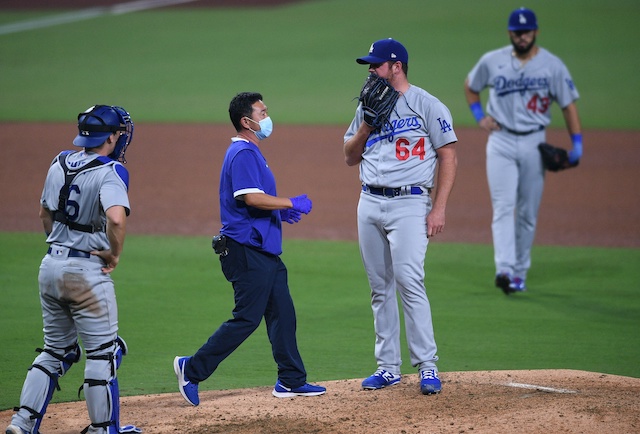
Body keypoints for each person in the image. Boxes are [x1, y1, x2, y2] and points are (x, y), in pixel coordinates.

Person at [173, 92, 326, 405]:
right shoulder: (242, 153)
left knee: (283, 313)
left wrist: (279, 211)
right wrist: (290, 202)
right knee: (246, 318)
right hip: (245, 250)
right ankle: (191, 368)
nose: (268, 116)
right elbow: (250, 197)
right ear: (247, 121)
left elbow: (251, 199)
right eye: (262, 112)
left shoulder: (251, 152)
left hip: (263, 250)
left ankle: (291, 380)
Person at [6, 105, 140, 434]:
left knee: (56, 350)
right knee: (103, 354)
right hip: (86, 272)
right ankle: (102, 430)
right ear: (111, 137)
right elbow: (116, 218)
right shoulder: (111, 171)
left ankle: (21, 424)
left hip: (50, 266)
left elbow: (43, 214)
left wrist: (59, 247)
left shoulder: (59, 161)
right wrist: (113, 254)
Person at [343, 38, 458, 395]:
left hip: (410, 204)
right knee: (380, 288)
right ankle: (387, 367)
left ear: (396, 66)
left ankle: (427, 365)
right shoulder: (367, 106)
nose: (370, 71)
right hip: (369, 202)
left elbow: (449, 155)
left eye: (376, 65)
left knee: (410, 280)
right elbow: (349, 156)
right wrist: (366, 126)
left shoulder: (427, 104)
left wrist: (438, 207)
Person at [464, 7, 583, 294]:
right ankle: (504, 269)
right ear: (509, 33)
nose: (521, 37)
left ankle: (519, 273)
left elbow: (567, 105)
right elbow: (471, 86)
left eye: (526, 31)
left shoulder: (552, 66)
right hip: (501, 141)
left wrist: (577, 143)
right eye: (517, 32)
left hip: (534, 142)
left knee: (528, 211)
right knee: (503, 207)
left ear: (536, 32)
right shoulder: (492, 61)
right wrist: (480, 116)